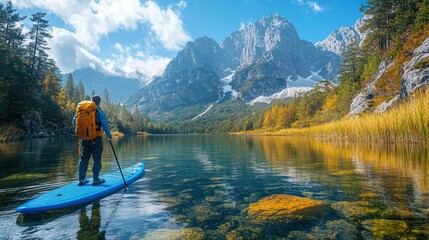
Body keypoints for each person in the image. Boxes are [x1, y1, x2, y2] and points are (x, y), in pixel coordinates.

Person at [72, 95, 113, 186]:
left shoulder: (81, 111)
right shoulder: (100, 112)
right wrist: (109, 136)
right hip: (96, 139)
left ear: (91, 101)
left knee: (83, 159)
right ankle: (96, 180)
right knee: (97, 159)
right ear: (99, 102)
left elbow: (73, 122)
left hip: (84, 139)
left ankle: (81, 180)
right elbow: (105, 125)